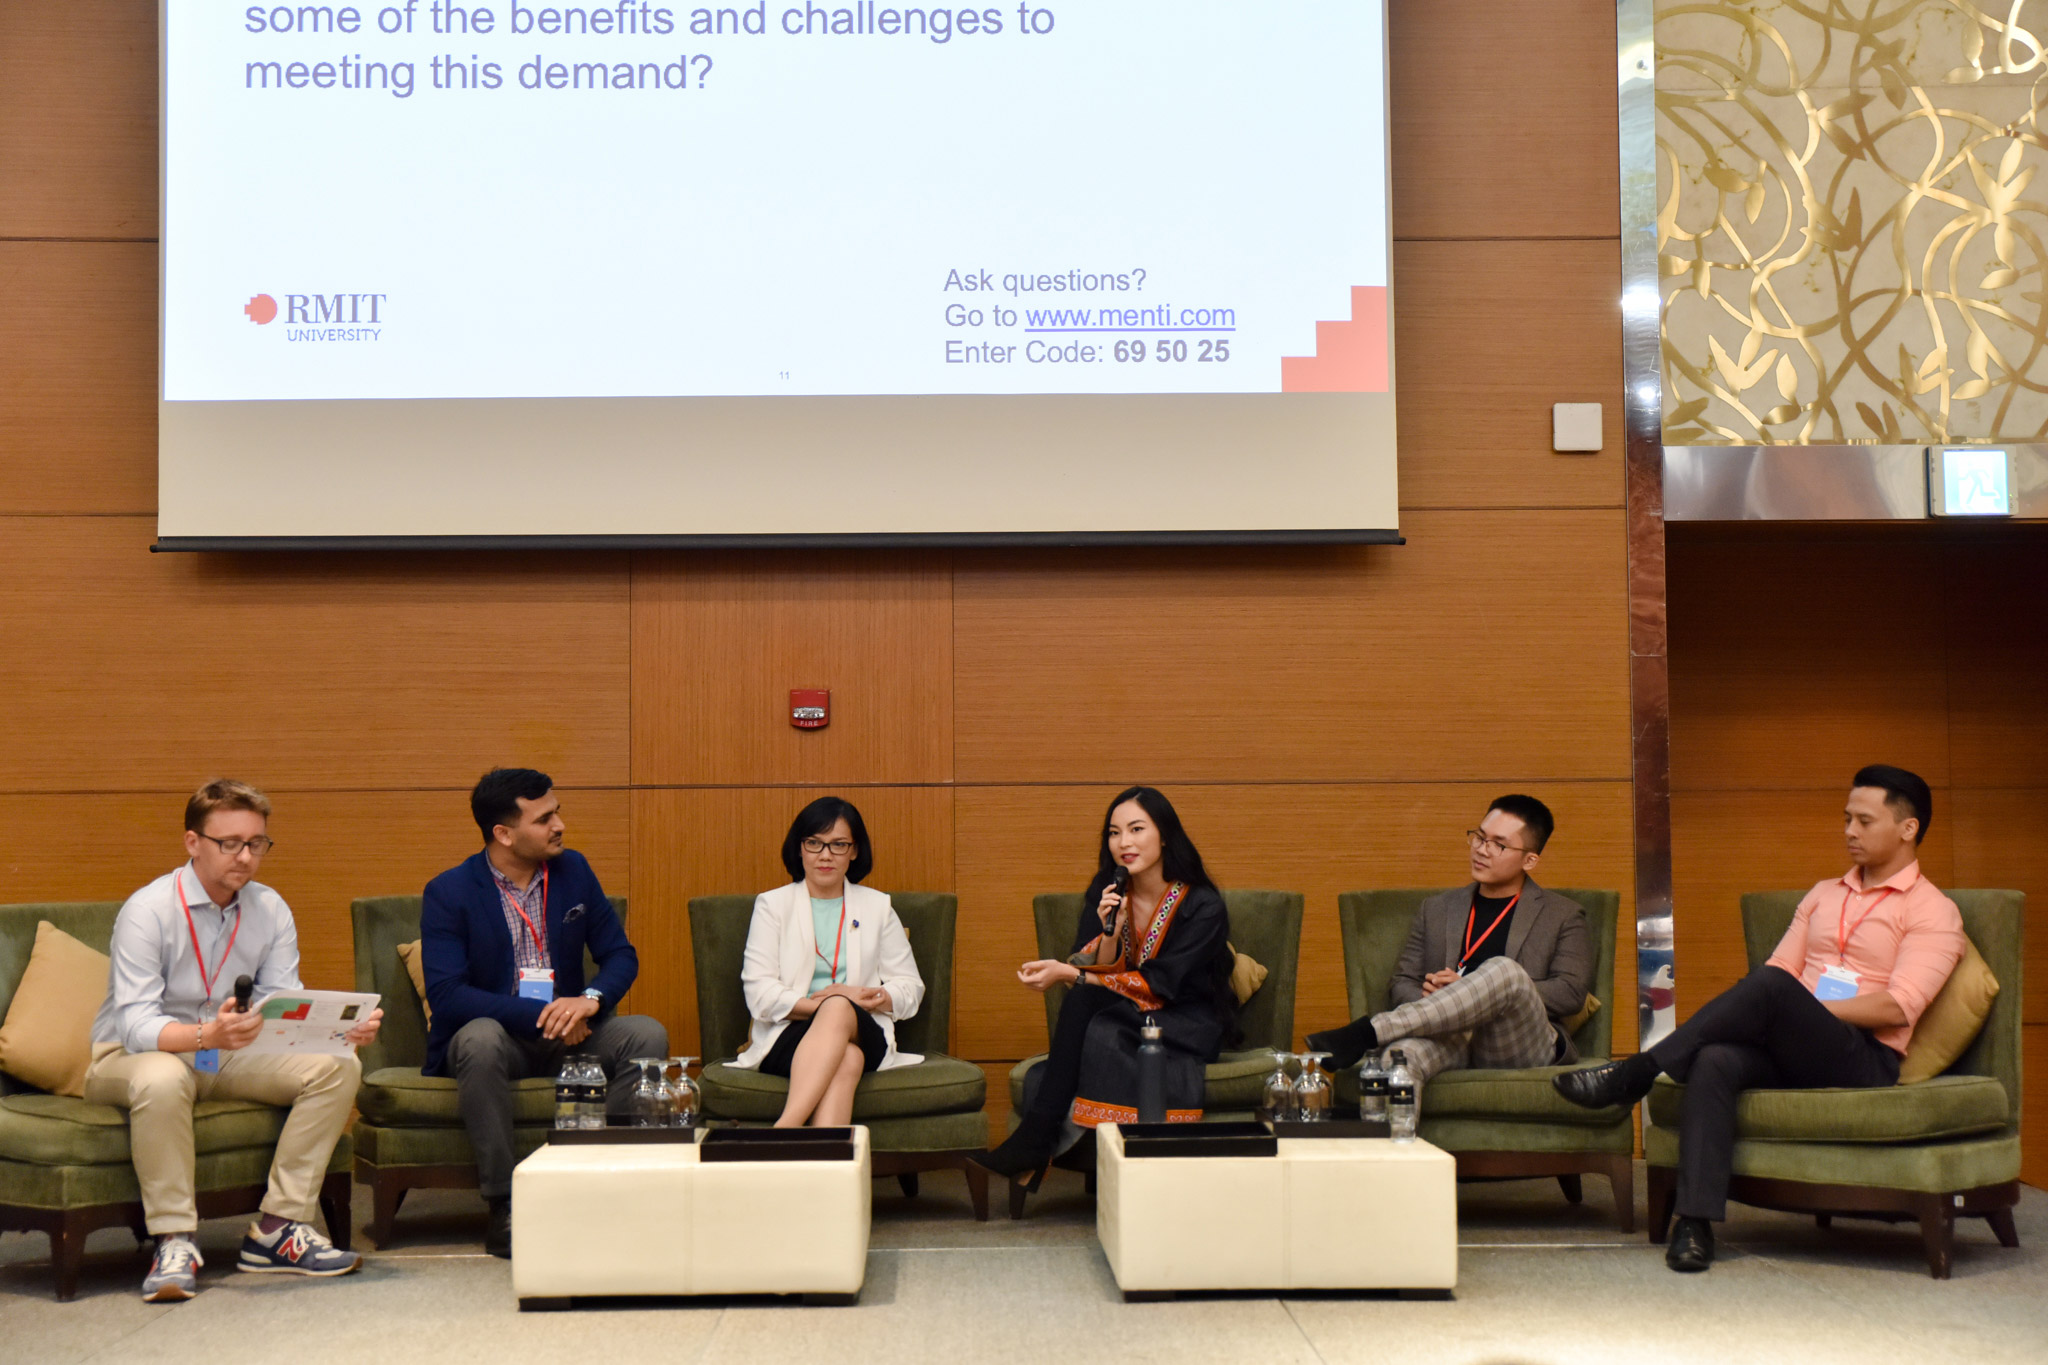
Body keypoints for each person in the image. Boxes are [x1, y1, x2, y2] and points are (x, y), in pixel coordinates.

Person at [1555, 765, 1966, 1273]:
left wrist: (1798, 1010)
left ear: (1908, 828)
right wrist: (1787, 1010)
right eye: (1846, 819)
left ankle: (1637, 1073)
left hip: (1863, 1058)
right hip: (1793, 1045)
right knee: (1717, 1058)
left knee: (1772, 991)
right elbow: (1780, 970)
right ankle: (1694, 1222)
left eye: (1864, 820)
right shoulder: (1822, 894)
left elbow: (1898, 1005)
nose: (1849, 832)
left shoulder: (1933, 910)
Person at [85, 780, 383, 1302]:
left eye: (257, 843)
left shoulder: (269, 909)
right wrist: (208, 1033)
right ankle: (174, 1240)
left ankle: (277, 1229)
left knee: (338, 1066)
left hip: (224, 1053)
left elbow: (281, 1009)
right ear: (192, 842)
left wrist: (336, 1034)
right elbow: (135, 1026)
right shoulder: (148, 911)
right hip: (130, 1057)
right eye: (230, 843)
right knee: (163, 1074)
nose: (245, 857)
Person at [421, 768, 666, 1258]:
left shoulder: (574, 871)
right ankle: (505, 1204)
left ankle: (592, 1186)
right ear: (504, 834)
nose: (560, 825)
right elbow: (448, 993)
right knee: (479, 1037)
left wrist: (589, 1000)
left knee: (647, 1035)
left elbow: (621, 955)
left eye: (558, 812)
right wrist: (546, 1016)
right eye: (545, 818)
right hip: (500, 1042)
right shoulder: (449, 891)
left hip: (573, 1036)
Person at [972, 786, 1236, 1194]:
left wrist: (1069, 974)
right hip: (1129, 1009)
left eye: (1136, 829)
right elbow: (1091, 962)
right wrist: (1108, 930)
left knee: (1093, 1017)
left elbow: (1162, 984)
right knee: (1089, 1007)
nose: (1123, 843)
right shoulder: (1108, 888)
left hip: (1185, 1020)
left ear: (1164, 834)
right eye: (1114, 833)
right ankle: (1036, 1142)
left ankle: (1035, 1140)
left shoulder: (1202, 905)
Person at [1304, 795, 1592, 1083]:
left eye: (1498, 844)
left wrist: (1474, 990)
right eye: (1480, 837)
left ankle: (1369, 1032)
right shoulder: (1437, 909)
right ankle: (1399, 1130)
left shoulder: (1563, 914)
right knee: (1399, 1056)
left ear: (1529, 860)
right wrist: (1445, 1000)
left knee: (1504, 970)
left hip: (1515, 1041)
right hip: (1448, 1035)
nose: (1482, 850)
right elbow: (1403, 982)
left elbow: (1570, 993)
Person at [726, 797, 925, 1126]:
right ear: (800, 848)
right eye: (814, 843)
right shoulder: (773, 906)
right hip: (788, 1033)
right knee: (846, 1057)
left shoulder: (877, 907)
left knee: (840, 1011)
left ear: (855, 851)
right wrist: (832, 1005)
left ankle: (783, 1130)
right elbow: (759, 994)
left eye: (838, 845)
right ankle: (825, 1165)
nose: (826, 855)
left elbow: (910, 989)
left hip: (865, 1031)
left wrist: (866, 998)